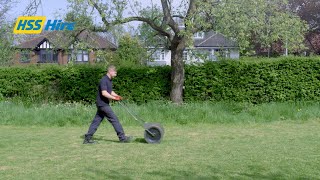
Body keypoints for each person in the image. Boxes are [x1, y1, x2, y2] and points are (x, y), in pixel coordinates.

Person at [83, 65, 132, 144]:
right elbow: (104, 93)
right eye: (115, 72)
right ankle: (122, 138)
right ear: (110, 71)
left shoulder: (109, 80)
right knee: (114, 120)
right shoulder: (104, 80)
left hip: (102, 104)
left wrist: (117, 96)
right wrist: (114, 98)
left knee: (96, 121)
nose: (116, 74)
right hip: (103, 104)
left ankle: (87, 138)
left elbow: (110, 91)